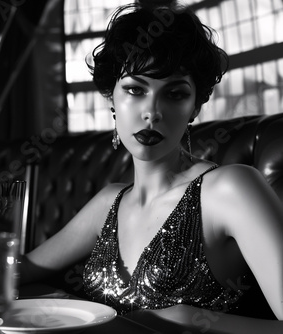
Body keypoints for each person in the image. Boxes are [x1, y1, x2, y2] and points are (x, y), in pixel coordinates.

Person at [19, 3, 283, 332]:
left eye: (174, 94)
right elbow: (21, 269)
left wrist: (184, 318)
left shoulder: (230, 189)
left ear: (195, 108)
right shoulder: (108, 203)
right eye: (135, 89)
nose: (152, 112)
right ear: (111, 99)